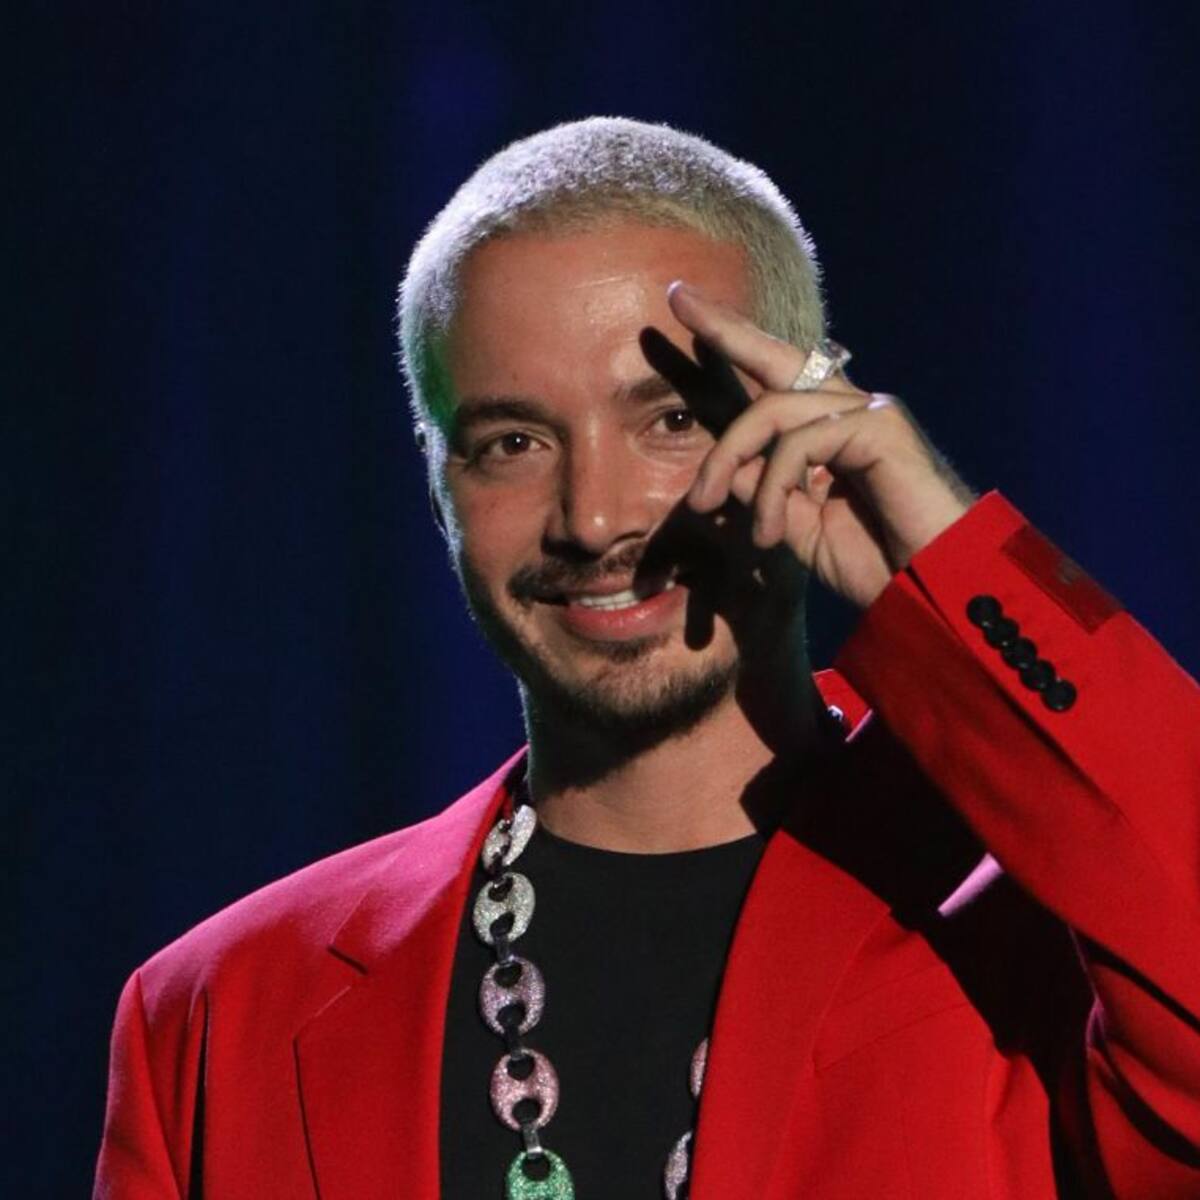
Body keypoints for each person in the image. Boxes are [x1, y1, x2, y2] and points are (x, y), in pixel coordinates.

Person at [94, 117, 1200, 1199]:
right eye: (512, 443)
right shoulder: (219, 1014)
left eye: (671, 420)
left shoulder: (1050, 939)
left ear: (812, 428)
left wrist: (947, 564)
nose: (594, 517)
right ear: (438, 490)